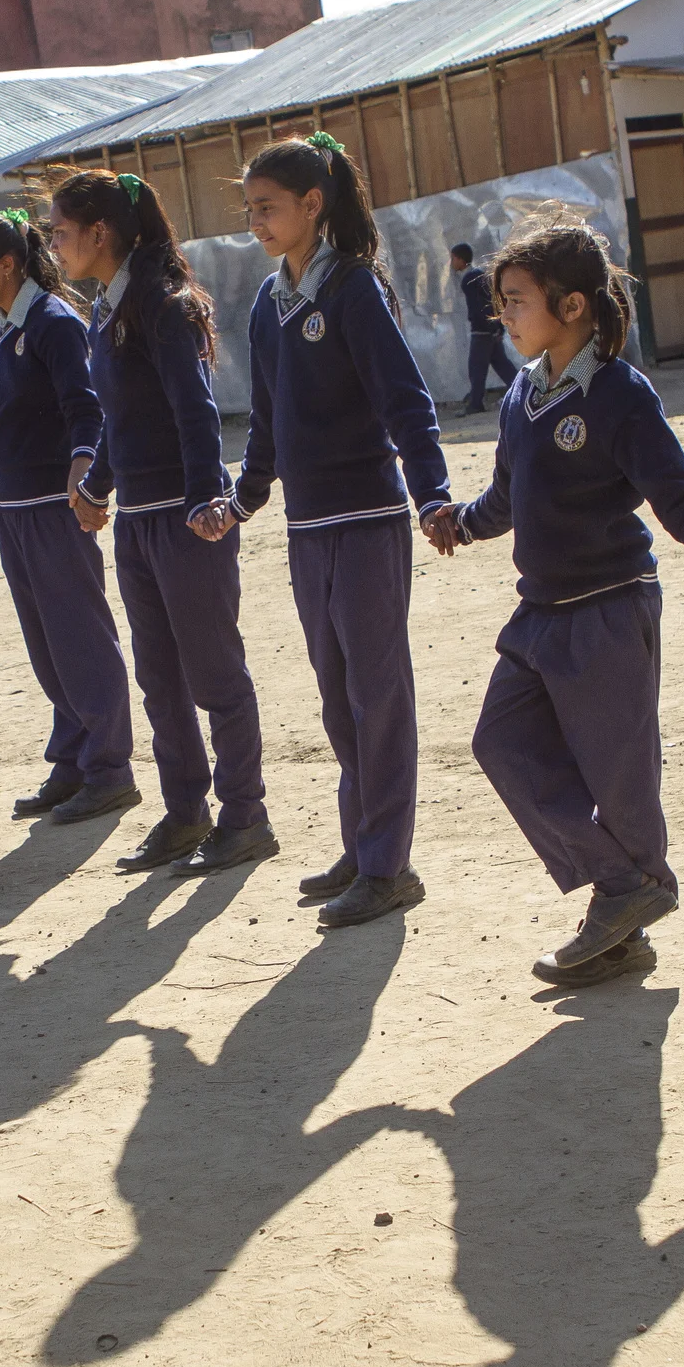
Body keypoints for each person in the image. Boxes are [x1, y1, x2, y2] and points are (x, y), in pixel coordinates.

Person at [425, 211, 684, 982]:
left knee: (619, 776)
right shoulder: (521, 397)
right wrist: (460, 525)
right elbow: (508, 496)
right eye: (499, 301)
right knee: (500, 742)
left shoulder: (619, 394)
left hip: (608, 607)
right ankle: (626, 890)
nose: (500, 314)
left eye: (515, 300)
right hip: (540, 613)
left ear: (572, 307)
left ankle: (624, 914)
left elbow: (677, 494)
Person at [229, 132, 452, 929]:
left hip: (367, 519)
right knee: (336, 698)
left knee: (378, 695)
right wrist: (243, 498)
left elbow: (406, 402)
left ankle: (389, 864)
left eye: (268, 208)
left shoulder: (356, 290)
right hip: (306, 527)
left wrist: (431, 496)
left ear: (312, 206)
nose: (256, 221)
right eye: (249, 209)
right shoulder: (267, 302)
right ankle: (365, 846)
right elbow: (266, 418)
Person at [49, 167, 274, 874]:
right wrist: (96, 483)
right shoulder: (104, 310)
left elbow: (194, 409)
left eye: (61, 233)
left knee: (214, 674)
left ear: (100, 233)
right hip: (138, 523)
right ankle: (185, 813)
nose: (54, 245)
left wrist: (206, 498)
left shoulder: (164, 304)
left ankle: (246, 816)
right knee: (160, 677)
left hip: (185, 520)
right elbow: (122, 416)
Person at [0, 207, 138, 827]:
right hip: (17, 516)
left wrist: (85, 481)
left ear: (8, 265)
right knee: (47, 643)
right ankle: (74, 759)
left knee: (81, 638)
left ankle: (112, 768)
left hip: (57, 511)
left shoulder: (54, 322)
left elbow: (87, 410)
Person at [452, 242, 515, 415]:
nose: (452, 263)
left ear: (460, 259)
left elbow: (479, 307)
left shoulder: (469, 279)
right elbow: (491, 303)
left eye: (453, 258)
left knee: (476, 369)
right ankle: (525, 391)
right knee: (503, 365)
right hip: (491, 329)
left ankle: (476, 403)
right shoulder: (479, 275)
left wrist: (488, 327)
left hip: (482, 331)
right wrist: (497, 328)